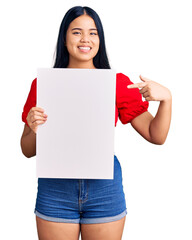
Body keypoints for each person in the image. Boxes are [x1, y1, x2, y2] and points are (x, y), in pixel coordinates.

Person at [20, 6, 172, 240]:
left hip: (104, 189)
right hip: (55, 189)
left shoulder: (117, 83)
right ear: (64, 38)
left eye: (93, 33)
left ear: (100, 39)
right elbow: (27, 150)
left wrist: (167, 99)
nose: (85, 39)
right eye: (77, 32)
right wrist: (34, 129)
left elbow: (156, 136)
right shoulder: (43, 84)